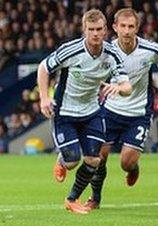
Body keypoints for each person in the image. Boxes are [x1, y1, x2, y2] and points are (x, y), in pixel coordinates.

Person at [37, 9, 131, 214]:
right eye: (91, 29)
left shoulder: (112, 54)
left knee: (94, 160)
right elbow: (44, 68)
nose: (95, 34)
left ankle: (72, 199)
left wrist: (120, 88)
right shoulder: (71, 51)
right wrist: (44, 97)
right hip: (65, 112)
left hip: (92, 112)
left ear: (106, 30)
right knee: (72, 162)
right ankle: (63, 160)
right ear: (84, 30)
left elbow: (127, 86)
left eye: (99, 29)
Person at [81, 8, 158, 210]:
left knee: (126, 162)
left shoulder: (150, 50)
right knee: (99, 156)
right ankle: (95, 198)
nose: (126, 31)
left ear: (137, 28)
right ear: (114, 28)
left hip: (138, 114)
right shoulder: (105, 50)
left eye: (131, 26)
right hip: (110, 110)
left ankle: (133, 168)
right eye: (122, 26)